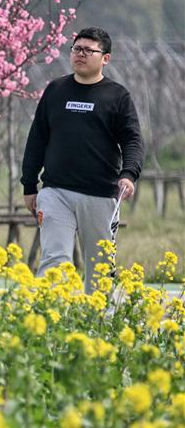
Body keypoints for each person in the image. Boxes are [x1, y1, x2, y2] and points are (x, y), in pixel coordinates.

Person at [21, 27, 143, 293]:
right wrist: (29, 186)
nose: (80, 54)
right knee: (54, 260)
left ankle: (97, 327)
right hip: (56, 192)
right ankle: (50, 324)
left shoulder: (117, 97)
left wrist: (128, 174)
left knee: (99, 267)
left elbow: (133, 141)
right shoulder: (55, 90)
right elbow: (36, 140)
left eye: (89, 50)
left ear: (105, 58)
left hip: (101, 195)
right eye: (77, 49)